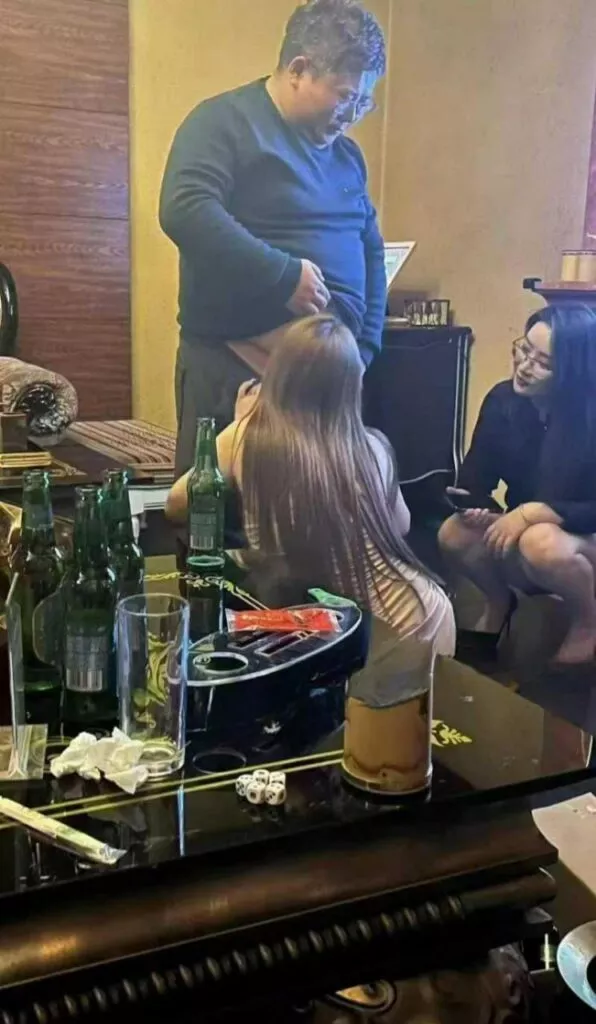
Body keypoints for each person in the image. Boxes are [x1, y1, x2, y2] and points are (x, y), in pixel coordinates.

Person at [159, 0, 387, 479]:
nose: (353, 115)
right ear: (298, 70)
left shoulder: (347, 156)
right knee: (217, 507)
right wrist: (282, 276)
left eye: (364, 103)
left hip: (325, 378)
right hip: (235, 365)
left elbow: (370, 248)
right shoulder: (222, 122)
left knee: (314, 509)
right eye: (345, 97)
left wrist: (364, 349)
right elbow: (186, 209)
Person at [166, 314, 455, 655]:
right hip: (419, 609)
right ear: (352, 387)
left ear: (278, 375)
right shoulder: (373, 445)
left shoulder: (245, 435)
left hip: (359, 625)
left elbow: (176, 503)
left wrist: (242, 423)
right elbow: (401, 525)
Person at [439, 303, 596, 665]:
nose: (524, 366)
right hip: (531, 534)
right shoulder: (503, 400)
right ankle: (499, 602)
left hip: (580, 538)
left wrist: (536, 512)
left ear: (573, 373)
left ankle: (587, 620)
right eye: (524, 349)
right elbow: (476, 475)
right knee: (454, 533)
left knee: (540, 542)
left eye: (544, 363)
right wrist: (476, 504)